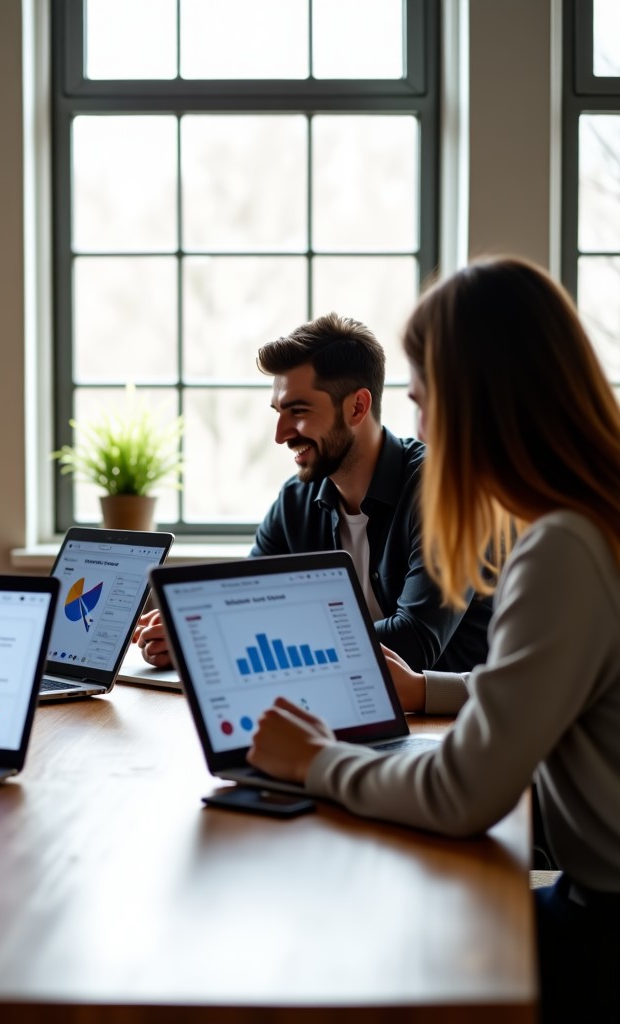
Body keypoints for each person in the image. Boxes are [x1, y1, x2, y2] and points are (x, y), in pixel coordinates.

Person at [246, 258, 620, 1021]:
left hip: (607, 926)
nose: (416, 425)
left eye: (420, 400)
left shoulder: (561, 547)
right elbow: (567, 681)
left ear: (477, 403)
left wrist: (315, 760)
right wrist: (433, 690)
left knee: (380, 958)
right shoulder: (590, 518)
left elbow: (460, 794)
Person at [134, 313, 490, 680]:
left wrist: (223, 636)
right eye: (278, 412)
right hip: (343, 701)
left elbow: (415, 642)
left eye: (298, 411)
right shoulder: (295, 501)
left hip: (450, 724)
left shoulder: (443, 489)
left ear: (357, 407)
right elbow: (243, 605)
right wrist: (193, 632)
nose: (280, 434)